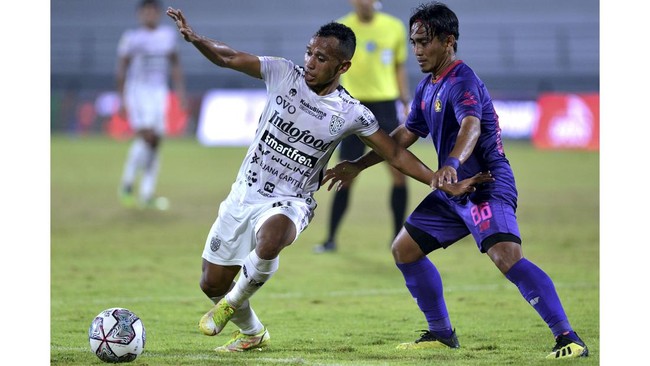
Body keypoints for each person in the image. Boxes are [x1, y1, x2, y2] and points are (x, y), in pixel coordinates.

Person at [165, 6, 492, 353]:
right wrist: (196, 38)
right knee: (211, 282)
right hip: (243, 195)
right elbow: (229, 58)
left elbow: (395, 154)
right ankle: (252, 332)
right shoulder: (282, 73)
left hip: (292, 201)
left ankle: (231, 303)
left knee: (272, 237)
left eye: (321, 58)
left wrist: (439, 180)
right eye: (309, 52)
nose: (309, 62)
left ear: (342, 66)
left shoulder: (351, 112)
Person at [322, 1, 589, 360]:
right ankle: (441, 333)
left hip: (484, 183)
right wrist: (359, 164)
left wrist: (449, 163)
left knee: (506, 256)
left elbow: (471, 125)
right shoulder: (428, 85)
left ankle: (568, 337)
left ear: (448, 41)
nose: (417, 50)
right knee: (404, 249)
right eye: (414, 42)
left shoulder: (462, 80)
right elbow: (403, 136)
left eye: (424, 42)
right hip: (451, 190)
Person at [314, 0, 411, 253]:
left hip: (386, 106)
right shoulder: (342, 27)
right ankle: (331, 238)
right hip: (352, 107)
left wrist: (404, 99)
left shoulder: (394, 27)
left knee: (398, 171)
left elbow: (399, 67)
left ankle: (397, 237)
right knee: (345, 174)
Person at [116, 0, 186, 210]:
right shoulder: (131, 38)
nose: (149, 15)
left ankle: (146, 193)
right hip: (137, 92)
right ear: (140, 15)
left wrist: (180, 92)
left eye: (153, 12)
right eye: (145, 12)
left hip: (158, 93)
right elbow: (122, 68)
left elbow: (175, 63)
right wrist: (121, 98)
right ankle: (127, 184)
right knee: (146, 136)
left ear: (157, 14)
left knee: (155, 142)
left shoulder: (167, 36)